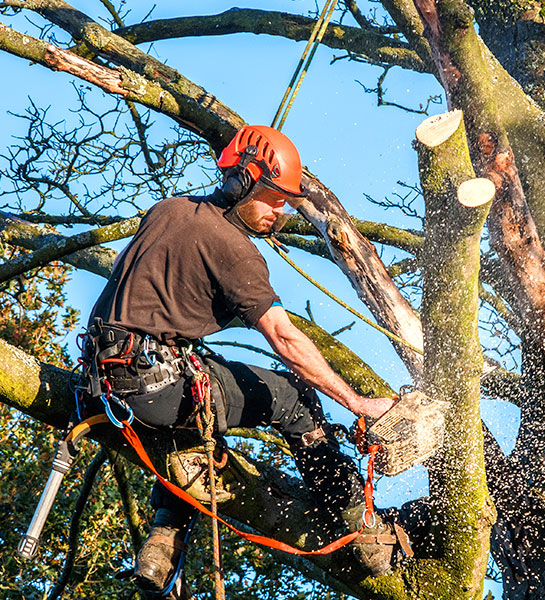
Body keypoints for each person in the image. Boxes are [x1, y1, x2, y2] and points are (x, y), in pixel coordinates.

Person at [83, 125, 404, 595]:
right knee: (294, 398)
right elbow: (284, 337)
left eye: (286, 203)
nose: (280, 210)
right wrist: (357, 403)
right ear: (243, 182)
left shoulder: (167, 211)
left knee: (194, 421)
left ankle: (160, 546)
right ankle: (361, 528)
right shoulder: (236, 251)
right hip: (153, 387)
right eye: (274, 197)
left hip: (101, 383)